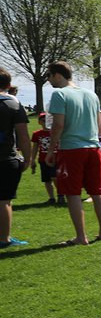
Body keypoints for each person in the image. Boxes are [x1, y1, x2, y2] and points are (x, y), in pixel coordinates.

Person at [44, 61, 101, 246]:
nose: (48, 80)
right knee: (97, 192)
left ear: (57, 75)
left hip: (71, 149)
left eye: (49, 76)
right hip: (93, 148)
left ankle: (81, 237)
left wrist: (50, 150)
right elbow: (97, 123)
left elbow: (58, 125)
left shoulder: (59, 94)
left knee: (72, 193)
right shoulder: (91, 94)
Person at [0, 68, 31, 247]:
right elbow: (23, 135)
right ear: (9, 85)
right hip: (6, 158)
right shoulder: (14, 103)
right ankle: (4, 239)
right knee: (4, 200)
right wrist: (27, 158)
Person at [30, 113, 62, 206]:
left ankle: (60, 195)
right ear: (39, 122)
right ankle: (51, 198)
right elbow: (35, 147)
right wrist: (32, 160)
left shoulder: (56, 132)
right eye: (43, 120)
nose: (45, 122)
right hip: (43, 159)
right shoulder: (37, 134)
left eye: (47, 120)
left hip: (55, 159)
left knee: (55, 177)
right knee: (47, 180)